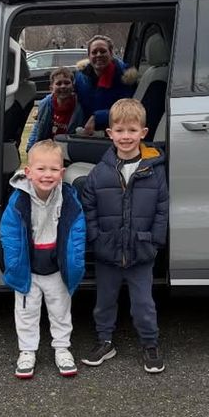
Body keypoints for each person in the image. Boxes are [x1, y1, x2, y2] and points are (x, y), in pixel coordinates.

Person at [80, 98, 168, 374]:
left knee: (143, 303)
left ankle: (149, 343)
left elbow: (162, 209)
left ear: (143, 133)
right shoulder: (100, 172)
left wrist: (154, 241)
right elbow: (89, 205)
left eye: (132, 130)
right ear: (110, 134)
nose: (126, 136)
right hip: (107, 251)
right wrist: (96, 238)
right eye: (120, 131)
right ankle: (104, 340)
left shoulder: (154, 171)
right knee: (104, 301)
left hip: (141, 251)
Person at [0, 139, 87, 379]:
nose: (47, 175)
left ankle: (62, 348)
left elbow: (77, 232)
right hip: (28, 266)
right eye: (41, 169)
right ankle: (27, 351)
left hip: (56, 265)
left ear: (62, 172)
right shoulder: (18, 200)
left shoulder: (68, 198)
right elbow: (9, 234)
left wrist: (75, 262)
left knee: (60, 310)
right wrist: (14, 264)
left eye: (53, 169)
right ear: (28, 172)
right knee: (27, 312)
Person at [74, 35, 139, 135]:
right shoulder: (80, 77)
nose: (98, 55)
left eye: (103, 51)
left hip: (115, 135)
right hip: (85, 135)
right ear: (89, 56)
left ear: (111, 53)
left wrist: (97, 117)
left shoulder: (125, 78)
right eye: (94, 52)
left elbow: (129, 110)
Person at [26, 67, 84, 150]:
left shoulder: (79, 107)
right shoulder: (45, 104)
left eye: (67, 83)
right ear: (51, 88)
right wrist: (30, 148)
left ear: (73, 86)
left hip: (69, 148)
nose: (63, 86)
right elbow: (38, 127)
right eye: (59, 83)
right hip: (48, 149)